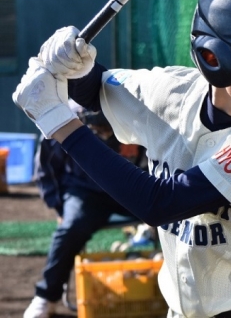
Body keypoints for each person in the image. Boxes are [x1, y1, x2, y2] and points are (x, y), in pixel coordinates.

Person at [13, 0, 231, 318]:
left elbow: (160, 203)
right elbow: (97, 92)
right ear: (214, 58)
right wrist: (74, 65)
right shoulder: (174, 92)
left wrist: (57, 121)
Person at [23, 101, 148, 318]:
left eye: (109, 128)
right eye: (101, 129)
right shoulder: (65, 118)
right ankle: (46, 296)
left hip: (129, 187)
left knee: (174, 216)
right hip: (85, 192)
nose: (106, 133)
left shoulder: (135, 114)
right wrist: (59, 207)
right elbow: (46, 166)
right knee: (70, 229)